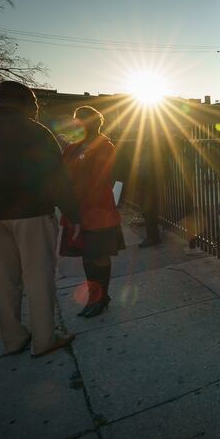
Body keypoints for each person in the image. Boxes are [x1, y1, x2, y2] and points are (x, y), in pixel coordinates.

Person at [0, 81, 80, 357]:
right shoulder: (37, 132)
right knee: (38, 275)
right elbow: (56, 176)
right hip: (32, 212)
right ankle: (44, 339)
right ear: (28, 102)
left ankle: (12, 338)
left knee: (2, 279)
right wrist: (72, 212)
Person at [59, 106, 125, 318]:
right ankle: (94, 296)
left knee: (99, 255)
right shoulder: (71, 148)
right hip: (77, 208)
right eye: (79, 120)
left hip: (98, 210)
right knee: (86, 256)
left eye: (86, 120)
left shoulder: (105, 146)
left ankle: (101, 296)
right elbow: (63, 174)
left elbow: (100, 177)